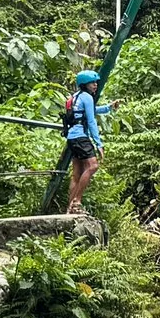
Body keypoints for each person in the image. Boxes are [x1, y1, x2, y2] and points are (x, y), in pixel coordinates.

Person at [63, 68, 113, 214]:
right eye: (92, 83)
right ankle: (77, 202)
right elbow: (91, 121)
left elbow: (90, 110)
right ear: (85, 84)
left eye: (96, 82)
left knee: (77, 173)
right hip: (80, 137)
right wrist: (99, 144)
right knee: (93, 166)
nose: (95, 85)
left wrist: (108, 108)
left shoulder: (77, 96)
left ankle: (69, 209)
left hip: (72, 137)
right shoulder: (87, 97)